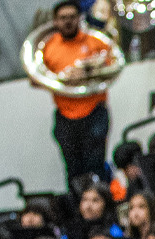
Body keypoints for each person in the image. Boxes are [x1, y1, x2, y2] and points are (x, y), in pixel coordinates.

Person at [43, 0, 113, 187]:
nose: (68, 22)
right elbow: (37, 79)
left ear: (80, 18)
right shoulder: (48, 48)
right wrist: (66, 79)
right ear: (56, 21)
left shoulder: (96, 42)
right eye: (63, 18)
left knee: (95, 166)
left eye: (72, 17)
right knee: (73, 170)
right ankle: (77, 211)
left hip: (94, 112)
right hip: (65, 115)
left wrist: (86, 72)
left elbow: (112, 68)